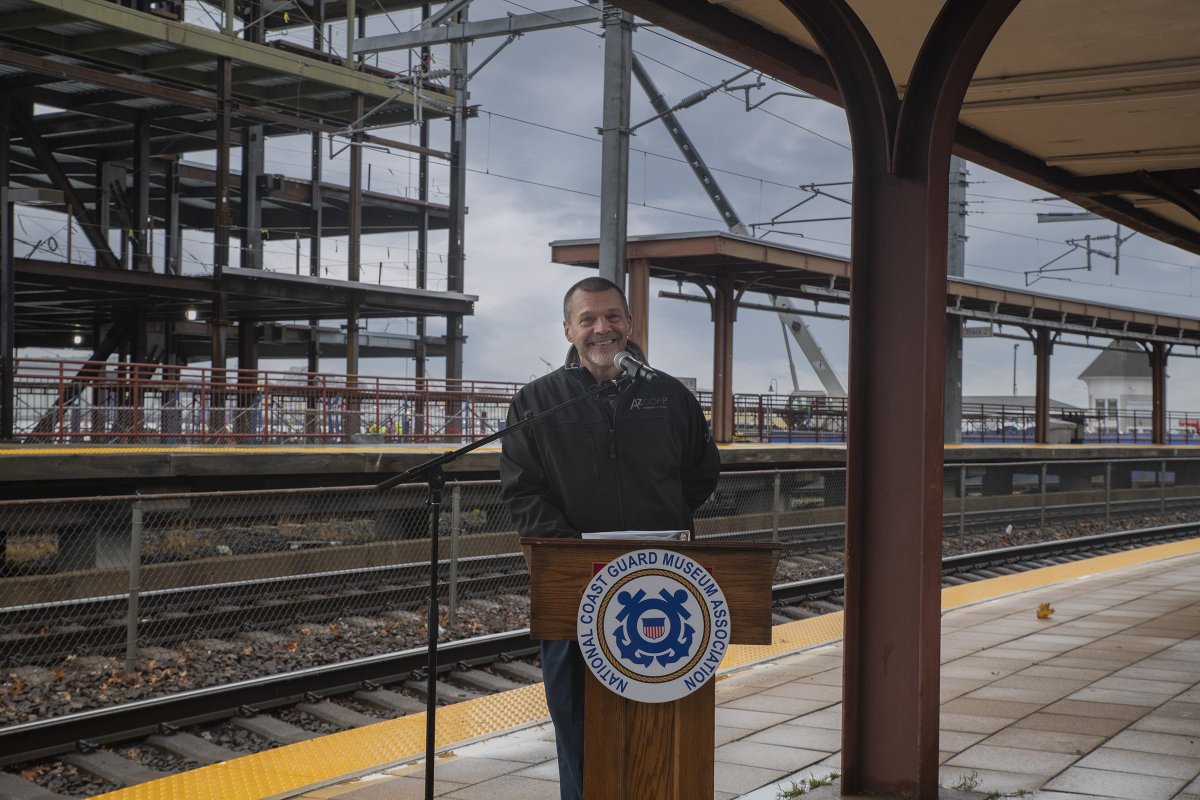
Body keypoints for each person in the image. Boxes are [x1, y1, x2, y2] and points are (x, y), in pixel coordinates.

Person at [499, 276, 720, 800]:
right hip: (575, 588)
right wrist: (578, 555)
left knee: (662, 716)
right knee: (576, 720)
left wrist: (658, 526)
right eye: (588, 319)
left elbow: (701, 472)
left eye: (613, 317)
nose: (603, 329)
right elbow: (523, 490)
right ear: (569, 330)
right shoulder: (537, 401)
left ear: (629, 321)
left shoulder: (670, 396)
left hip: (663, 584)